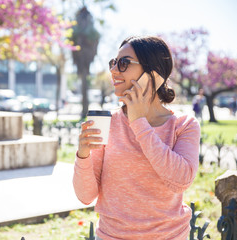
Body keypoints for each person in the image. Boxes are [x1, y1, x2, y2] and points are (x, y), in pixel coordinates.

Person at [73, 36, 200, 240]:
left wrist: (139, 122)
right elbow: (85, 196)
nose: (113, 70)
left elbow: (181, 181)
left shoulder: (184, 125)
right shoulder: (108, 122)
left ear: (153, 73)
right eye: (113, 63)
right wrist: (83, 155)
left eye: (123, 63)